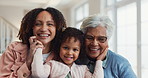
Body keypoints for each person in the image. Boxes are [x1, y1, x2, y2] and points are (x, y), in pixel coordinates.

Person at [0, 7, 66, 78]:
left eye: (50, 24)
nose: (43, 29)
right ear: (31, 27)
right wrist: (28, 61)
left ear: (57, 28)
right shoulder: (13, 49)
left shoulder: (63, 54)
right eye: (38, 24)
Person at [31, 27, 106, 78]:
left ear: (80, 51)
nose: (70, 53)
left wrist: (99, 60)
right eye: (66, 48)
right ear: (59, 47)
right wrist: (38, 49)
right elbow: (38, 74)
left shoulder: (83, 69)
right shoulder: (52, 65)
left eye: (75, 49)